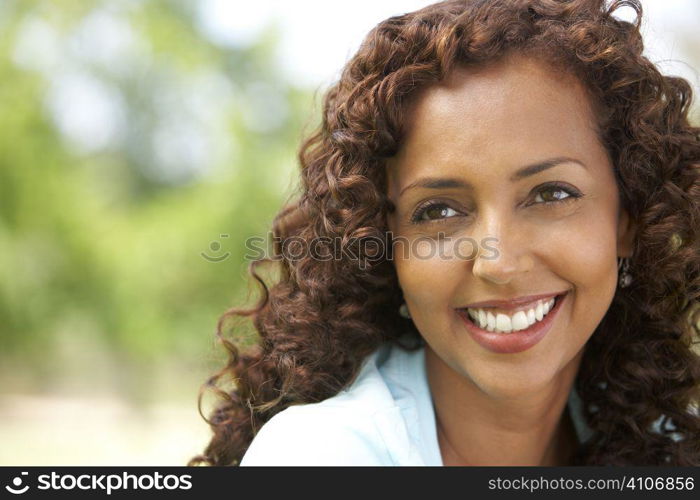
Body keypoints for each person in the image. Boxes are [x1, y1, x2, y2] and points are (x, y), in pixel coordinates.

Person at [189, 0, 700, 466]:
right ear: (385, 247)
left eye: (551, 194)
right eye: (437, 211)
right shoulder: (324, 458)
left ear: (629, 218)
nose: (499, 263)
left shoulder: (661, 446)